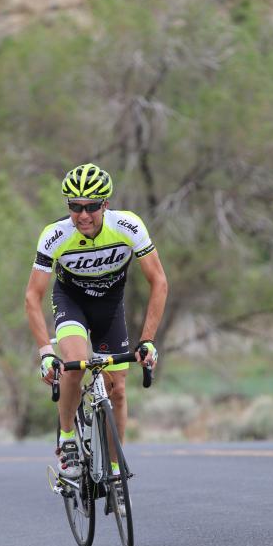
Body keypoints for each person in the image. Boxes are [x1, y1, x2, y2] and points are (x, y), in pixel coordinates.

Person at [25, 163, 168, 488]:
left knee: (117, 390)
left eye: (91, 206)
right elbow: (32, 297)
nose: (83, 215)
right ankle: (66, 440)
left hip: (109, 308)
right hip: (71, 303)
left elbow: (159, 281)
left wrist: (147, 341)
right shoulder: (55, 236)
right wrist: (46, 353)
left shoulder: (128, 227)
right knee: (73, 367)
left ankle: (116, 469)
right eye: (75, 207)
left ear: (105, 204)